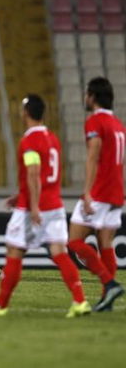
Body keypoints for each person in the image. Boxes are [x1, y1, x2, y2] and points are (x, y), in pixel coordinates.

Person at [0, 94, 91, 318]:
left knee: (14, 252)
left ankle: (0, 304)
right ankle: (80, 300)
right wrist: (20, 195)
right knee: (59, 253)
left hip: (34, 208)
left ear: (26, 113)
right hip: (54, 204)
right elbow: (46, 175)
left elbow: (35, 173)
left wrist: (33, 206)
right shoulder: (52, 138)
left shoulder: (30, 140)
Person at [67, 77, 124, 312]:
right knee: (106, 243)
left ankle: (108, 283)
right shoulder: (118, 124)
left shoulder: (95, 121)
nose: (84, 97)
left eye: (86, 93)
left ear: (93, 96)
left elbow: (93, 155)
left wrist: (88, 192)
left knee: (74, 240)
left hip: (99, 192)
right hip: (116, 192)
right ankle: (107, 298)